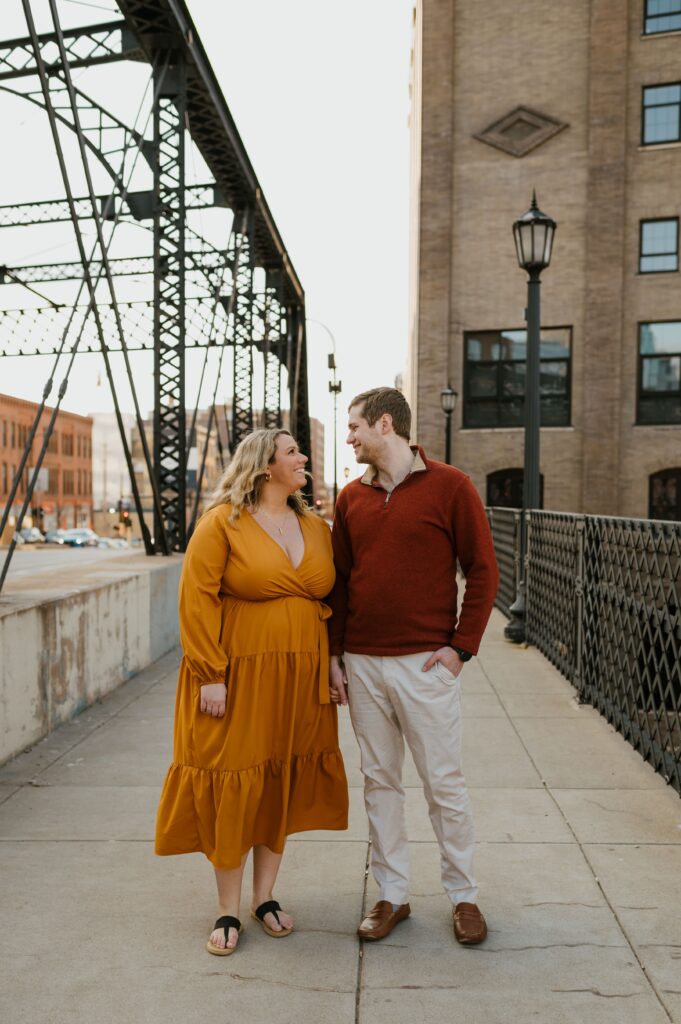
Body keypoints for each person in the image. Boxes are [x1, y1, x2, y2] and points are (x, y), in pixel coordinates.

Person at [155, 428, 348, 955]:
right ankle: (226, 906)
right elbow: (195, 601)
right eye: (293, 452)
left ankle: (265, 897)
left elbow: (334, 600)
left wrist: (332, 663)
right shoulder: (222, 523)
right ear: (266, 466)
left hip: (300, 675)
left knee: (277, 780)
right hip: (238, 673)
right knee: (232, 778)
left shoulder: (315, 526)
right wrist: (209, 674)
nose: (302, 458)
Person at [328, 388, 499, 945]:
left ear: (384, 424)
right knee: (379, 783)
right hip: (363, 662)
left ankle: (464, 896)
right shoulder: (350, 497)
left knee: (442, 783)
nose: (348, 436)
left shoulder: (452, 487)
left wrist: (459, 649)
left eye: (354, 426)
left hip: (426, 665)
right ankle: (392, 895)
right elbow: (339, 585)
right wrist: (335, 657)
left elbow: (483, 570)